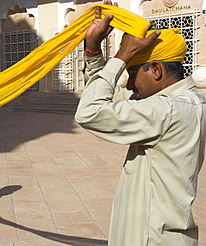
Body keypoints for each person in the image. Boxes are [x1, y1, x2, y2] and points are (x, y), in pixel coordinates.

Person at [75, 1, 206, 245]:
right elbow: (106, 99)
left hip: (149, 237)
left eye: (133, 74)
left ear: (156, 70)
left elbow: (89, 112)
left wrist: (122, 55)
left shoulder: (167, 109)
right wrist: (93, 51)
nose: (130, 84)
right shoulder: (185, 100)